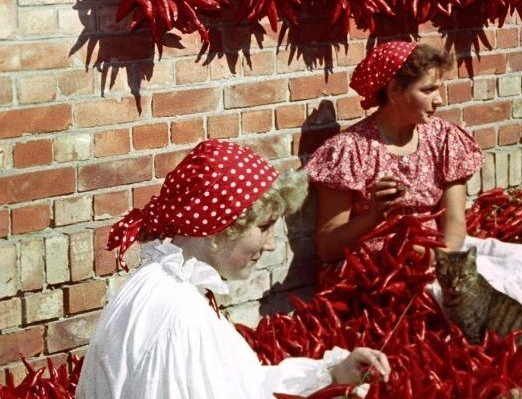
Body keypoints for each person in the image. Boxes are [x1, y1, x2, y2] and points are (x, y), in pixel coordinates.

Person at [77, 140, 391, 398]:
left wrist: (333, 374)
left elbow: (240, 385)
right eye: (264, 227)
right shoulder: (178, 316)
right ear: (222, 227)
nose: (270, 245)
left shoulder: (171, 285)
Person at [306, 41, 522, 315]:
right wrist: (374, 214)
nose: (439, 99)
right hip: (376, 267)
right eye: (428, 90)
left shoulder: (443, 138)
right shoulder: (350, 150)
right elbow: (327, 247)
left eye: (439, 88)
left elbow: (455, 223)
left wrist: (439, 260)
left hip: (437, 253)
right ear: (394, 91)